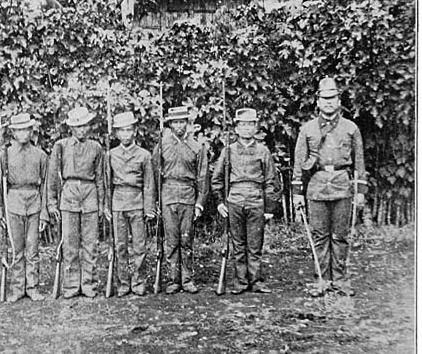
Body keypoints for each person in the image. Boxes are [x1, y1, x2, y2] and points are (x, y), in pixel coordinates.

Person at [291, 77, 367, 297]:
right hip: (316, 186)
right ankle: (322, 280)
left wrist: (360, 191)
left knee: (340, 235)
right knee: (320, 235)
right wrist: (297, 194)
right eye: (324, 98)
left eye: (332, 98)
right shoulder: (308, 130)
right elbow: (299, 162)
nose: (328, 102)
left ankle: (341, 280)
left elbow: (359, 161)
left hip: (342, 185)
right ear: (317, 101)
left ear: (339, 100)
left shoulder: (351, 128)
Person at [211, 108, 280, 294]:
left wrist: (269, 207)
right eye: (243, 124)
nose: (247, 128)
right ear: (236, 128)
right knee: (238, 244)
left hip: (256, 200)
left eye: (250, 124)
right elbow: (217, 179)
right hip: (234, 200)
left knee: (255, 244)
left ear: (256, 127)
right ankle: (240, 282)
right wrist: (219, 202)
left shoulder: (263, 151)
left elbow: (271, 181)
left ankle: (255, 281)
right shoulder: (229, 151)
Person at [47, 107, 105, 299]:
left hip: (90, 196)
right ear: (71, 128)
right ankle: (71, 285)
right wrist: (51, 203)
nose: (82, 130)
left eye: (85, 126)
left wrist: (102, 204)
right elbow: (53, 177)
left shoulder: (96, 147)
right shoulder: (61, 146)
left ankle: (88, 284)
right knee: (70, 245)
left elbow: (100, 178)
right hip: (69, 195)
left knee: (90, 244)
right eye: (78, 126)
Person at [151, 106, 208, 294]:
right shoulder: (162, 146)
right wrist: (156, 201)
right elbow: (154, 174)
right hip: (167, 195)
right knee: (171, 240)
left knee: (186, 239)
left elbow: (202, 176)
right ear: (170, 125)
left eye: (182, 121)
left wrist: (200, 202)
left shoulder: (196, 147)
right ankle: (173, 279)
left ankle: (187, 278)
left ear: (188, 123)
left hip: (188, 195)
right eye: (175, 122)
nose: (179, 125)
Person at [0, 113, 49, 302]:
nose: (23, 133)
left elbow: (46, 185)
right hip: (14, 203)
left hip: (34, 203)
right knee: (17, 249)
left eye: (26, 129)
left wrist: (44, 213)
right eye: (19, 130)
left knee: (32, 249)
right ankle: (17, 288)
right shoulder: (5, 156)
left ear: (31, 131)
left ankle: (32, 287)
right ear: (13, 133)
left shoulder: (40, 155)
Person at [105, 112, 155, 297]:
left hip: (137, 201)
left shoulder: (144, 155)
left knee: (139, 246)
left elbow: (149, 184)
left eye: (129, 130)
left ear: (135, 131)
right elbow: (106, 183)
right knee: (120, 245)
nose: (125, 134)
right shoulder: (111, 155)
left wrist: (149, 208)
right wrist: (106, 206)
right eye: (122, 131)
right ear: (117, 134)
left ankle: (138, 282)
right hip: (118, 202)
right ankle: (123, 283)